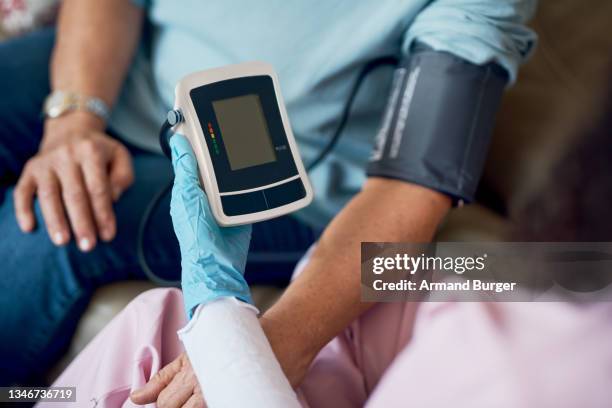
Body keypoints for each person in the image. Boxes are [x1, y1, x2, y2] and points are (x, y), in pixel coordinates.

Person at [0, 0, 537, 384]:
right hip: (134, 67)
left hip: (284, 171)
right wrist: (74, 122)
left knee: (59, 224)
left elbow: (410, 186)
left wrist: (265, 353)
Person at [40, 77, 612, 407]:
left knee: (128, 305)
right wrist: (297, 319)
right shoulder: (576, 268)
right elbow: (544, 273)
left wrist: (219, 309)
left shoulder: (528, 377)